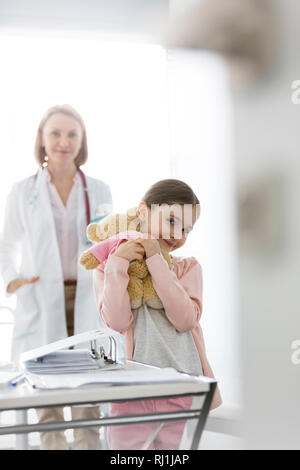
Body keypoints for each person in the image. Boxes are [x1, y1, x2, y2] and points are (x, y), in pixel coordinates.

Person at [0, 104, 113, 450]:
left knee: (87, 396)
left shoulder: (98, 189)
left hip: (86, 298)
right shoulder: (23, 191)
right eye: (55, 133)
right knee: (47, 401)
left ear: (82, 141)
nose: (63, 141)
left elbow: (109, 242)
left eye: (72, 134)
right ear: (42, 139)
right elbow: (6, 244)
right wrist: (13, 280)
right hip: (40, 297)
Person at [93, 179, 222, 450]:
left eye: (187, 228)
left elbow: (184, 319)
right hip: (129, 390)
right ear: (143, 212)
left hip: (179, 385)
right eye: (171, 221)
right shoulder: (108, 268)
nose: (178, 234)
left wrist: (156, 261)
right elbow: (117, 321)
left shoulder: (188, 268)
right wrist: (118, 263)